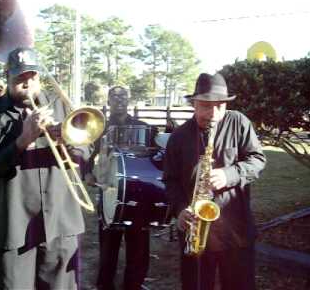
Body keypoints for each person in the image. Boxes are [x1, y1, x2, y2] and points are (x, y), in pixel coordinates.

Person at [0, 47, 93, 290]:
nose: (28, 85)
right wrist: (23, 139)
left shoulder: (61, 106)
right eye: (20, 79)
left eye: (33, 77)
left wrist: (67, 142)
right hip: (16, 225)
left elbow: (85, 156)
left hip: (61, 222)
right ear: (7, 77)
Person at [163, 72, 266, 290]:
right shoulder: (179, 136)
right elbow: (170, 180)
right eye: (206, 106)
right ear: (194, 104)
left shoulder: (238, 122)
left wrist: (229, 174)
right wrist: (180, 209)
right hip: (195, 230)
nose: (213, 113)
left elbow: (257, 160)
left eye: (220, 106)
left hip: (235, 229)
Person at [86, 85, 152, 290]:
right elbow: (86, 152)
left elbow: (154, 154)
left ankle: (134, 284)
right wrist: (87, 173)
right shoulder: (99, 127)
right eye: (114, 96)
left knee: (139, 245)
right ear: (108, 101)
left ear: (129, 99)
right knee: (108, 246)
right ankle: (105, 285)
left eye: (123, 96)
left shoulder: (143, 126)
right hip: (110, 191)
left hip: (137, 194)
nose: (119, 99)